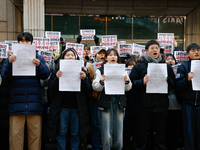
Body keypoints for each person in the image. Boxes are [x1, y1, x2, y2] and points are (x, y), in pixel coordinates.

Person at [1, 32, 50, 150]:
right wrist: (8, 63)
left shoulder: (38, 58)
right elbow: (4, 77)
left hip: (34, 105)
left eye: (27, 41)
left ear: (32, 43)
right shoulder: (11, 59)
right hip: (16, 105)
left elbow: (46, 75)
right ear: (18, 43)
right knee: (15, 139)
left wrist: (40, 66)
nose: (24, 43)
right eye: (22, 41)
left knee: (35, 138)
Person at [130, 40, 175, 150]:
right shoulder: (139, 67)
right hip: (143, 107)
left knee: (160, 137)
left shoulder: (166, 67)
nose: (155, 50)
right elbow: (131, 84)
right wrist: (142, 82)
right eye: (152, 48)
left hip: (161, 107)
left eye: (157, 48)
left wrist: (168, 80)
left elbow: (173, 86)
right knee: (141, 137)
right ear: (146, 51)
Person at [47, 48, 91, 150]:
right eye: (68, 55)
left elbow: (88, 90)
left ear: (76, 58)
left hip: (77, 108)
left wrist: (84, 79)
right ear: (63, 57)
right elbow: (51, 89)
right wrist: (57, 79)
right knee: (62, 133)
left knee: (75, 133)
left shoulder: (82, 71)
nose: (70, 57)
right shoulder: (57, 72)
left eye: (72, 55)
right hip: (62, 108)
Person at [92, 49, 132, 150]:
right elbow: (96, 87)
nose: (113, 57)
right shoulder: (100, 70)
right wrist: (101, 81)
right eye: (110, 55)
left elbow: (128, 88)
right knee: (106, 134)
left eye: (115, 55)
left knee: (118, 133)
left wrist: (127, 81)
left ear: (117, 58)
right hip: (105, 103)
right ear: (106, 58)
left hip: (119, 103)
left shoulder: (122, 70)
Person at [175, 43, 200, 150]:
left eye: (198, 50)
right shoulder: (183, 67)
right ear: (188, 54)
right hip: (188, 104)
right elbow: (177, 86)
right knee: (188, 131)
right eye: (193, 50)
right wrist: (187, 79)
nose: (197, 52)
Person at [87, 48, 106, 150]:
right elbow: (87, 85)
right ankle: (96, 146)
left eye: (104, 54)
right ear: (95, 56)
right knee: (95, 124)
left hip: (108, 98)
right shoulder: (90, 68)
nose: (102, 55)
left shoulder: (111, 67)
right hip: (95, 99)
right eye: (100, 54)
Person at [165, 54, 183, 150]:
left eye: (172, 59)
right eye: (168, 59)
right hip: (165, 104)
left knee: (176, 126)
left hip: (177, 104)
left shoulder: (180, 71)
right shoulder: (164, 70)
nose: (170, 61)